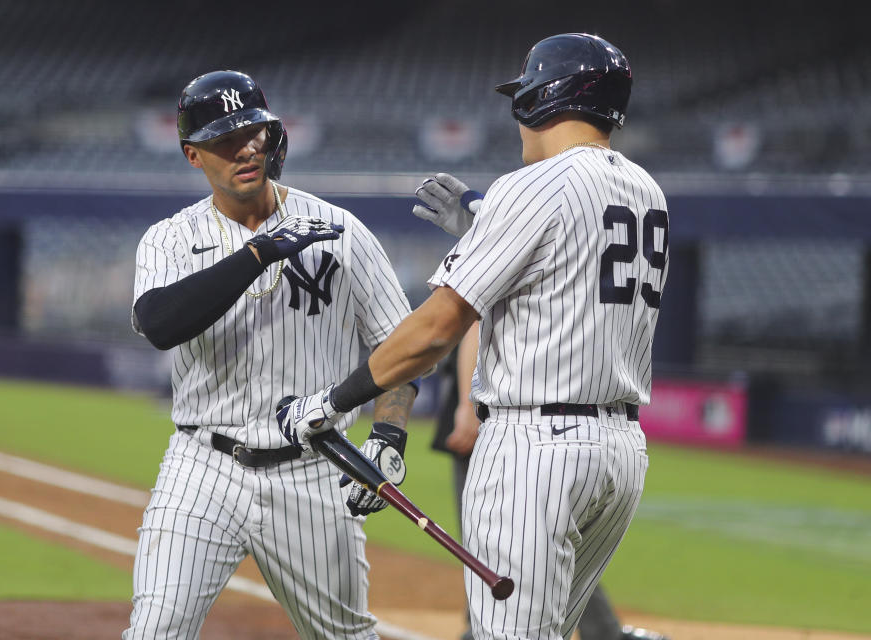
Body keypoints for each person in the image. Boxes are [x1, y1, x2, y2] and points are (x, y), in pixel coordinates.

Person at [276, 33, 669, 640]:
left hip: (535, 447)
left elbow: (435, 330)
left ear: (544, 98)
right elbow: (564, 266)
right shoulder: (648, 192)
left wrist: (330, 403)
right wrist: (488, 227)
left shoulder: (530, 185)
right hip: (619, 455)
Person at [124, 69, 418, 640]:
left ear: (272, 136)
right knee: (154, 631)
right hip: (202, 467)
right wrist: (258, 252)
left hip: (312, 467)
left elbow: (401, 349)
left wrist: (389, 436)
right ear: (193, 156)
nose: (244, 148)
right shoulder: (169, 238)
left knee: (345, 635)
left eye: (252, 132)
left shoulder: (343, 231)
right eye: (223, 141)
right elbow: (160, 323)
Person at [434, 329, 668, 640]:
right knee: (541, 546)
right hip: (550, 418)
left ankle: (489, 629)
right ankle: (600, 631)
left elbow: (472, 324)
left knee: (524, 547)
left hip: (514, 416)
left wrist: (465, 406)